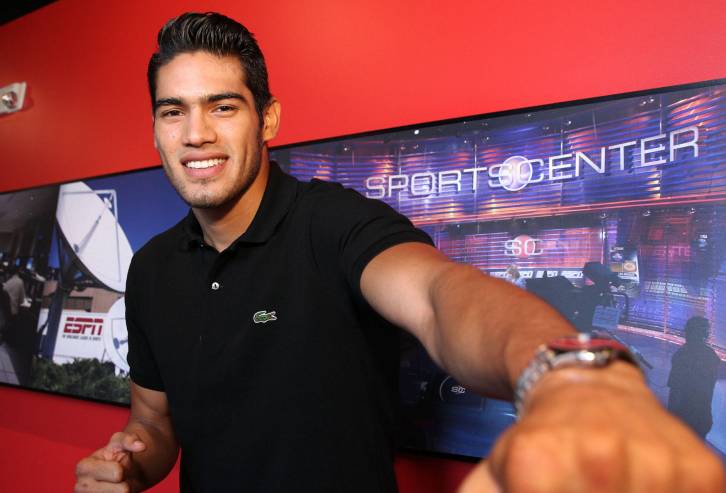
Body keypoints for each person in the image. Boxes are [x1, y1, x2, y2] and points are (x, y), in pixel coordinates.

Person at [75, 12, 725, 493]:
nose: (195, 134)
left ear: (267, 119)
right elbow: (155, 421)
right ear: (155, 128)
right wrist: (131, 462)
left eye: (222, 107)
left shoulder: (335, 223)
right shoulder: (152, 267)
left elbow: (441, 297)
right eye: (173, 112)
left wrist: (566, 378)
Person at [667, 316, 721, 438]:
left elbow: (675, 392)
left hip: (683, 420)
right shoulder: (711, 357)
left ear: (688, 332)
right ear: (705, 334)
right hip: (702, 419)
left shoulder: (680, 356)